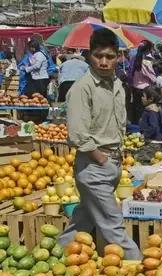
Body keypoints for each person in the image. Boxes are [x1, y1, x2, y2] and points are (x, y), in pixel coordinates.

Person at [58, 29, 141, 260]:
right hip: (94, 166)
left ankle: (56, 255)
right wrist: (100, 158)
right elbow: (77, 134)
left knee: (84, 218)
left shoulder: (116, 85)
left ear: (118, 56)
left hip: (112, 163)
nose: (104, 62)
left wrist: (115, 158)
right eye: (98, 56)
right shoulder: (82, 88)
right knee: (113, 224)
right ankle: (140, 265)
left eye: (110, 56)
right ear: (88, 55)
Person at [130, 41, 156, 124]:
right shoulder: (147, 60)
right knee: (146, 112)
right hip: (146, 90)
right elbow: (152, 76)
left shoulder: (134, 59)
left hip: (135, 88)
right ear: (148, 49)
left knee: (137, 110)